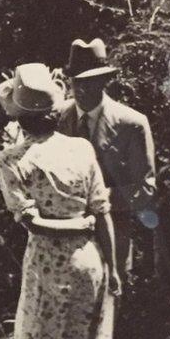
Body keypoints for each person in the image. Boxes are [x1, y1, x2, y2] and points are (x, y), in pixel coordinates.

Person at [0, 63, 121, 339]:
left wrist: (68, 226)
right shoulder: (80, 148)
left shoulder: (11, 159)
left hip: (48, 263)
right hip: (88, 259)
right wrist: (113, 266)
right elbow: (101, 212)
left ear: (18, 115)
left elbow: (29, 219)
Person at [57, 38, 156, 282]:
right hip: (61, 244)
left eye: (89, 81)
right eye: (76, 80)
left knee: (109, 313)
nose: (81, 89)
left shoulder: (131, 124)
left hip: (111, 241)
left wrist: (96, 198)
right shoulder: (57, 118)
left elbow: (145, 190)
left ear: (104, 81)